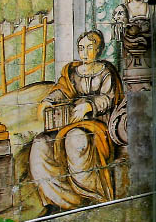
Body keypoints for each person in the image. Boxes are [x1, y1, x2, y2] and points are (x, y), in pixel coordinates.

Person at [29, 30, 126, 212]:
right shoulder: (73, 72)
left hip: (97, 124)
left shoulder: (106, 73)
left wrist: (89, 106)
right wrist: (48, 101)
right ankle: (58, 200)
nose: (84, 53)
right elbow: (62, 91)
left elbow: (109, 98)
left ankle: (91, 196)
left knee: (75, 139)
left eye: (89, 48)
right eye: (81, 48)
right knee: (41, 142)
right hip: (70, 121)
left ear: (98, 49)